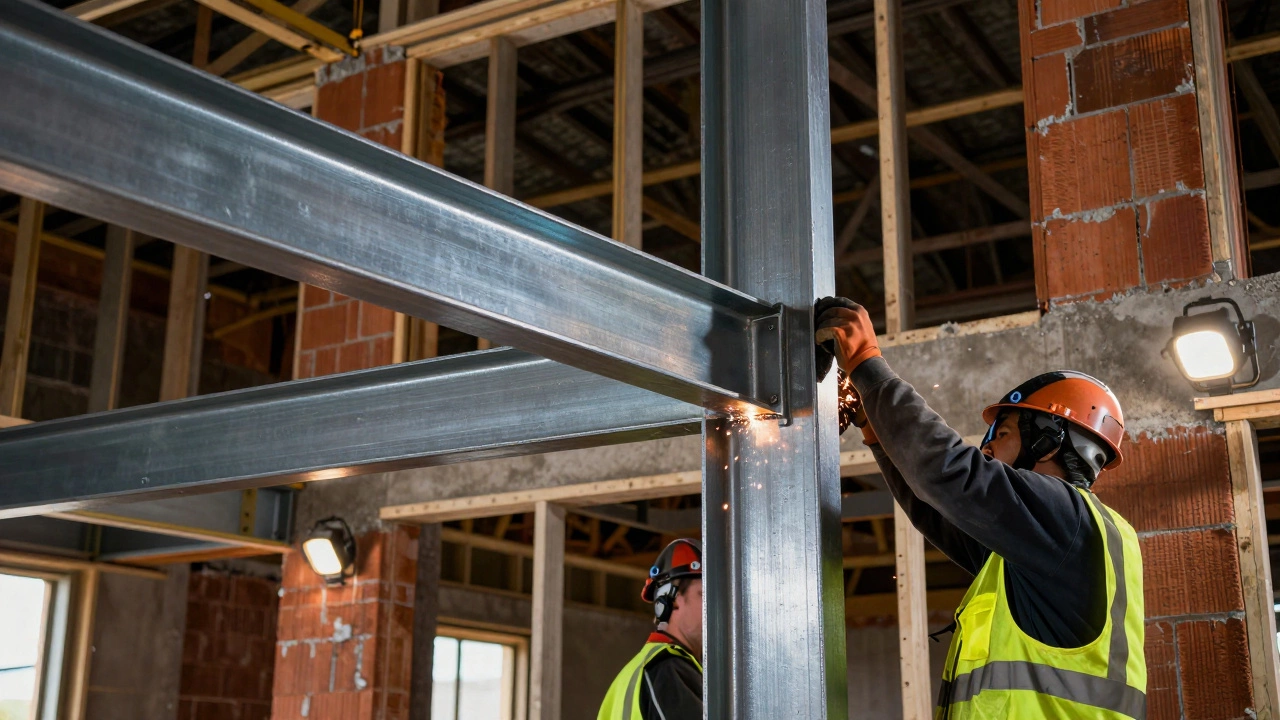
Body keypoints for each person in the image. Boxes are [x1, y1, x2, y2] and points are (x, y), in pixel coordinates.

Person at [814, 297, 1146, 720]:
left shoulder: (1066, 518)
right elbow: (938, 507)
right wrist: (874, 427)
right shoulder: (1044, 545)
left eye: (1002, 433)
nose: (987, 446)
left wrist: (866, 363)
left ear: (1049, 440)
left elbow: (953, 471)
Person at [597, 538, 703, 720]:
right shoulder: (668, 670)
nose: (718, 607)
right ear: (675, 601)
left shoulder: (635, 673)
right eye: (705, 595)